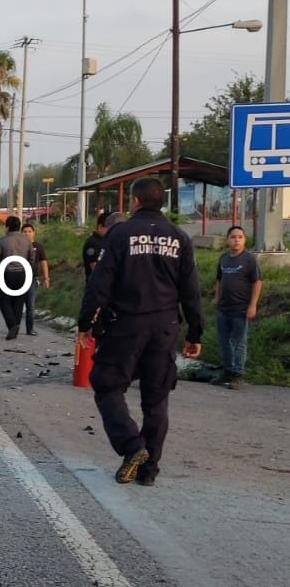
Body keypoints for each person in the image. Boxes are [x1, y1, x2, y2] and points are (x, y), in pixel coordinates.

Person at [77, 176, 202, 487]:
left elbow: (99, 285)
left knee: (106, 385)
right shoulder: (179, 238)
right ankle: (149, 471)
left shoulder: (120, 234)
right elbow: (191, 291)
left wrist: (86, 325)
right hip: (165, 327)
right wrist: (195, 333)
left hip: (127, 325)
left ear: (135, 201)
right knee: (156, 399)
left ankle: (133, 447)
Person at [212, 225, 262, 390]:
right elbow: (219, 280)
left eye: (240, 237)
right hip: (223, 309)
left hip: (241, 309)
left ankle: (238, 375)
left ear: (244, 240)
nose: (236, 240)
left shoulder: (249, 260)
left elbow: (257, 282)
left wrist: (252, 305)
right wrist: (217, 298)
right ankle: (227, 371)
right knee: (224, 342)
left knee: (239, 343)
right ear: (227, 240)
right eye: (233, 237)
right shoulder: (223, 259)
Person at [0, 216, 34, 340]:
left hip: (6, 274)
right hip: (23, 274)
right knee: (19, 301)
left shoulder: (2, 241)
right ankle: (16, 325)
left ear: (8, 227)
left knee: (3, 300)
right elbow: (32, 257)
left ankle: (12, 324)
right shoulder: (26, 241)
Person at [21, 222, 50, 335]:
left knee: (30, 306)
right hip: (18, 279)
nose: (27, 234)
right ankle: (14, 327)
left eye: (29, 231)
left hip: (31, 279)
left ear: (34, 233)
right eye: (24, 232)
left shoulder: (38, 246)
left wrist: (46, 278)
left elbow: (43, 262)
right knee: (17, 305)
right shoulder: (18, 246)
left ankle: (30, 329)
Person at [82, 213, 109, 281]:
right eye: (109, 228)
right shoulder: (92, 244)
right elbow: (96, 268)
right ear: (100, 227)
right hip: (96, 287)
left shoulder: (105, 241)